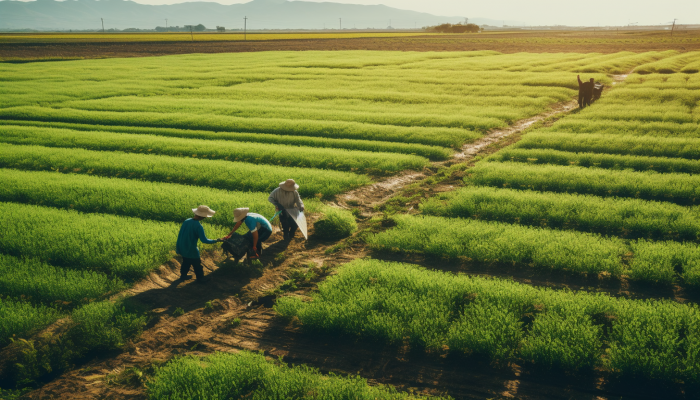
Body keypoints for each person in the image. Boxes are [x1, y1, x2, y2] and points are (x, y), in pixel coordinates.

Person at [176, 205, 224, 283]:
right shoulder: (198, 226)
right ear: (203, 216)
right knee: (197, 264)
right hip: (191, 249)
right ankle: (200, 278)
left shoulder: (187, 221)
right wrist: (216, 240)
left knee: (186, 262)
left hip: (182, 246)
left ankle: (183, 275)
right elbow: (204, 240)